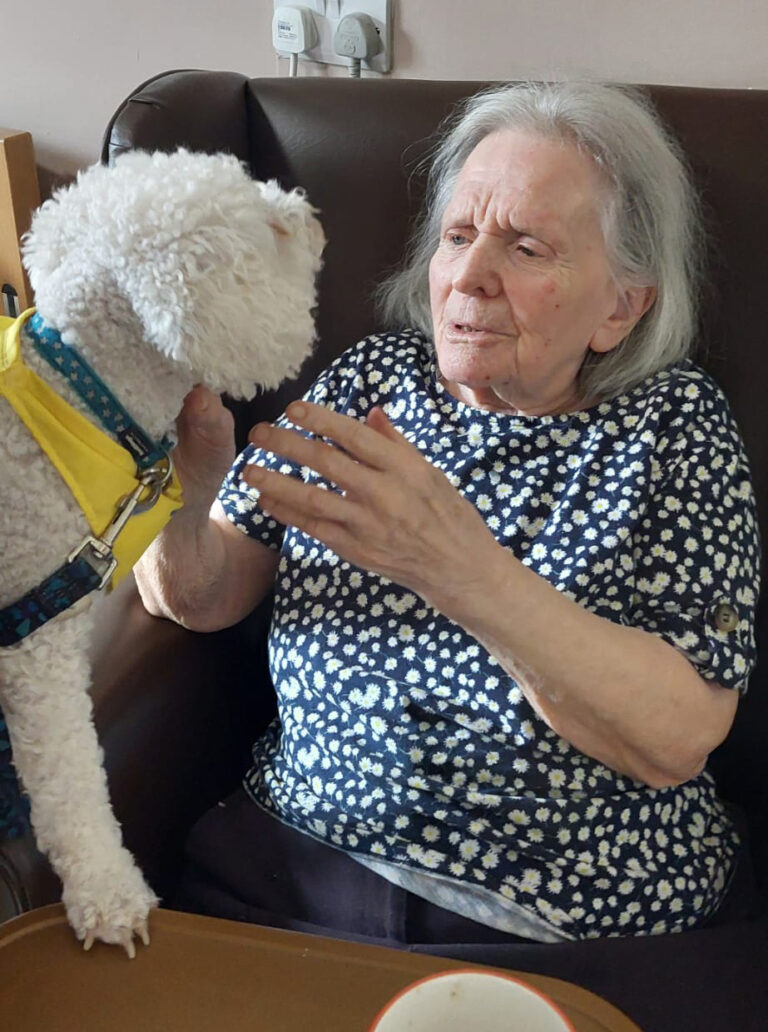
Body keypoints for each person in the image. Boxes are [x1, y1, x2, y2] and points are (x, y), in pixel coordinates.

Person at [136, 80, 760, 945]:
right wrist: (181, 495)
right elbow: (202, 596)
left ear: (621, 305)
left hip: (565, 925)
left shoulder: (672, 426)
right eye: (459, 236)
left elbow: (677, 737)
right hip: (293, 872)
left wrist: (456, 567)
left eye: (527, 248)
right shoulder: (373, 380)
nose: (468, 275)